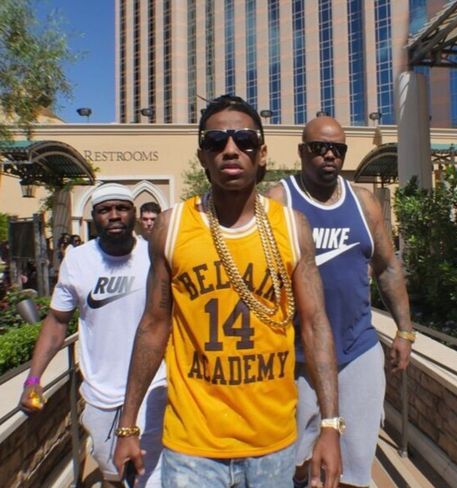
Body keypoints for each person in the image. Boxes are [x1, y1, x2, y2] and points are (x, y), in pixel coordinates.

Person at [113, 95, 342, 488]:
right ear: (203, 156)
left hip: (272, 443)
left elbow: (315, 325)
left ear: (262, 153)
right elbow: (153, 326)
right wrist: (127, 426)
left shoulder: (293, 227)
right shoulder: (172, 227)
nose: (231, 149)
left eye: (245, 140)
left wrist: (330, 425)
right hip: (192, 445)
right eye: (216, 141)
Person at [267, 115, 414, 488]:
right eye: (320, 148)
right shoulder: (279, 201)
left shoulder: (363, 202)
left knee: (352, 465)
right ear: (302, 152)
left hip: (356, 350)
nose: (330, 155)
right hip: (298, 357)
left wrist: (405, 331)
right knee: (295, 464)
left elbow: (388, 268)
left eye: (338, 149)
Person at [20, 183, 166, 488]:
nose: (114, 215)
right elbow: (57, 321)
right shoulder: (77, 260)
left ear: (134, 214)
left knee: (149, 476)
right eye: (104, 210)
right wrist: (33, 380)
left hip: (153, 386)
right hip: (100, 392)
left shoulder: (154, 255)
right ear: (94, 216)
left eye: (122, 208)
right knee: (112, 474)